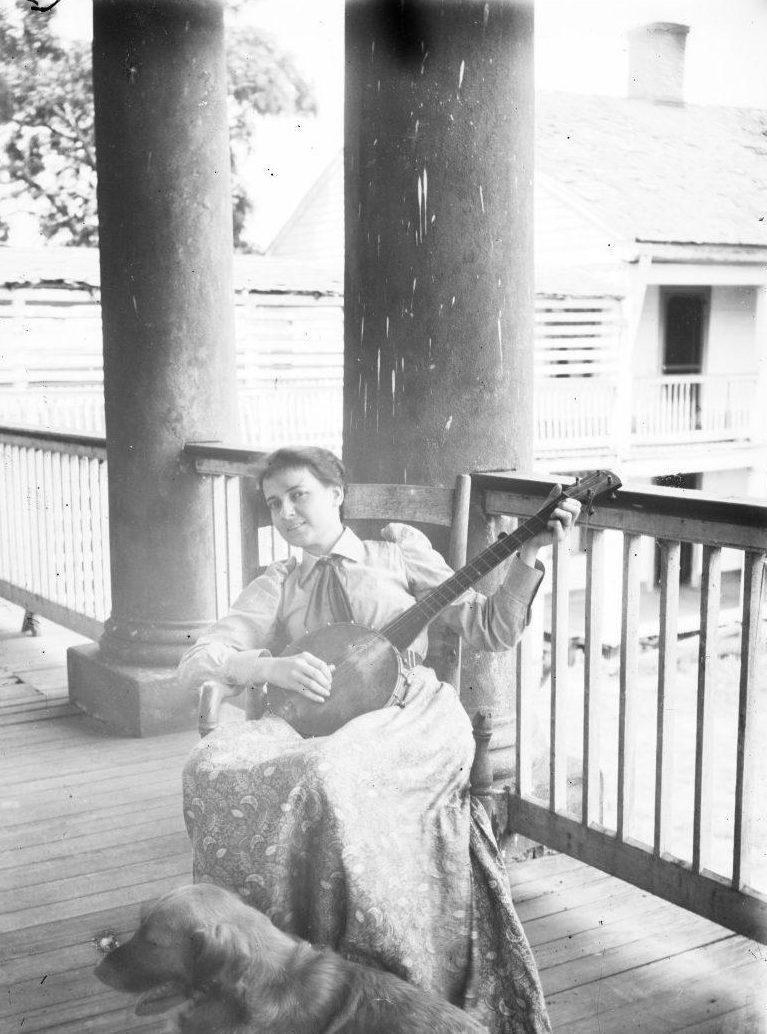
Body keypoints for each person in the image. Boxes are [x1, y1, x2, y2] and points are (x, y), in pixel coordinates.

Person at [179, 447, 580, 1034]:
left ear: (336, 494)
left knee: (329, 775)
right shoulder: (278, 581)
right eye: (274, 503)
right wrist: (269, 668)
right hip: (317, 722)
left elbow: (492, 629)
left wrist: (530, 552)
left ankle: (371, 964)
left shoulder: (397, 552)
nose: (286, 512)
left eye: (299, 494)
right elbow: (196, 661)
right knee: (210, 762)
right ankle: (259, 956)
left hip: (409, 713)